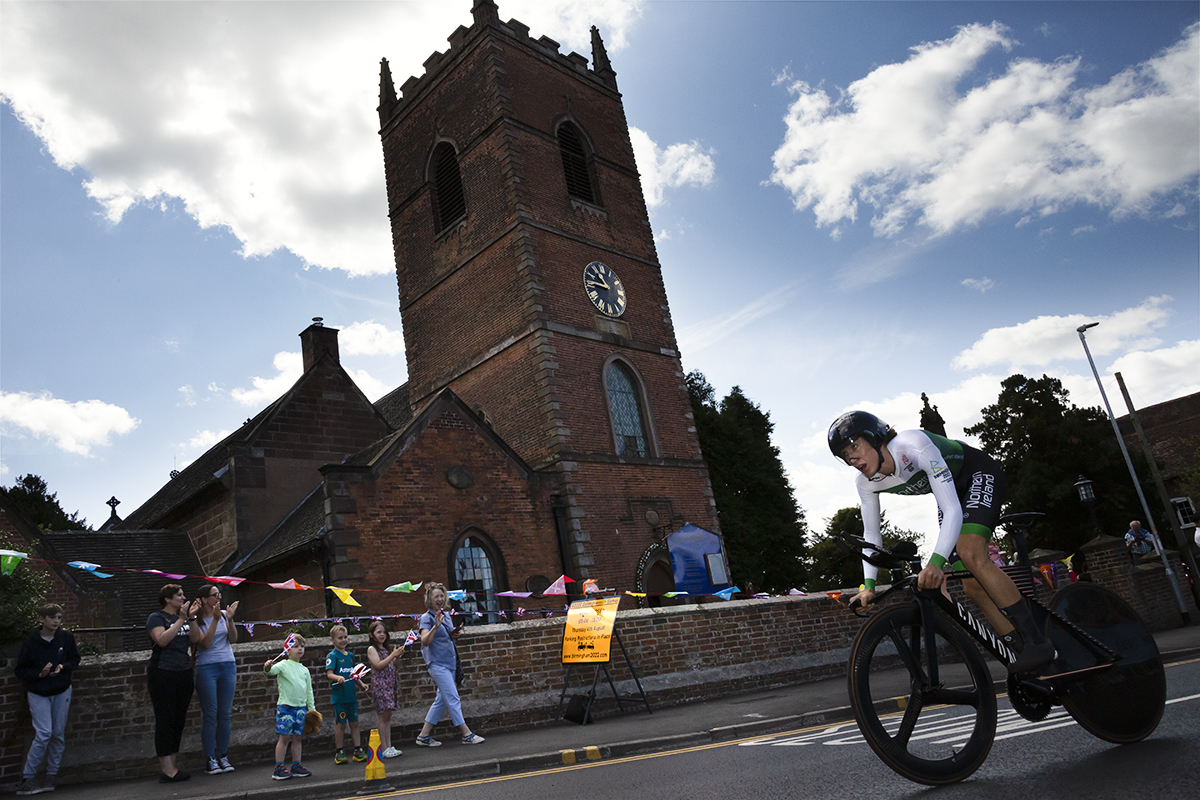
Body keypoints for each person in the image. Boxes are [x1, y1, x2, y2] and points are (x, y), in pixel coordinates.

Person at [829, 411, 1055, 674]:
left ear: (876, 438)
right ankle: (1021, 651)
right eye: (845, 455)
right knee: (973, 588)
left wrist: (936, 564)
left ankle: (1038, 642)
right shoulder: (866, 483)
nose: (852, 458)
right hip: (951, 492)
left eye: (854, 446)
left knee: (971, 554)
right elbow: (871, 535)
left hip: (976, 472)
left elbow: (952, 510)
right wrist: (868, 586)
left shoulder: (912, 445)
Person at [14, 603, 80, 796]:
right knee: (44, 733)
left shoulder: (66, 638)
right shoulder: (31, 642)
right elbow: (20, 670)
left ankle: (51, 775)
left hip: (61, 690)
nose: (56, 622)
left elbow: (74, 659)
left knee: (58, 733)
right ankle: (28, 778)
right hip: (39, 692)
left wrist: (62, 668)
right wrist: (39, 674)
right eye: (52, 618)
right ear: (42, 619)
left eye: (59, 618)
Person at [415, 584, 484, 746]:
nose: (439, 599)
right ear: (429, 600)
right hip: (437, 664)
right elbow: (425, 641)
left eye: (441, 596)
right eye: (436, 596)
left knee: (442, 700)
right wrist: (435, 627)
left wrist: (454, 635)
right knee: (453, 697)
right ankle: (466, 734)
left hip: (449, 663)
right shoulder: (427, 618)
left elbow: (446, 639)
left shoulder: (446, 615)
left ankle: (423, 736)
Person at [146, 584, 199, 783]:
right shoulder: (157, 618)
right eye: (179, 595)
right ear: (167, 599)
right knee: (165, 719)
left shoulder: (184, 617)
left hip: (183, 672)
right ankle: (166, 770)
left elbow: (194, 638)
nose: (183, 597)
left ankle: (173, 766)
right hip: (162, 673)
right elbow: (162, 640)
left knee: (178, 719)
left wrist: (191, 618)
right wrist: (180, 619)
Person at [189, 584, 239, 775]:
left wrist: (230, 620)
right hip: (207, 667)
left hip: (227, 665)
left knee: (225, 714)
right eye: (214, 595)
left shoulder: (224, 615)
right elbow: (206, 643)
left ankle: (223, 755)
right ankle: (210, 758)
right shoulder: (197, 619)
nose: (218, 598)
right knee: (210, 714)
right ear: (203, 599)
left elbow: (233, 639)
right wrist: (215, 620)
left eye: (219, 594)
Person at [263, 634, 315, 780]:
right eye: (295, 646)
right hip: (285, 708)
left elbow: (309, 692)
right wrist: (267, 667)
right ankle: (278, 768)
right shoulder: (283, 665)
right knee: (284, 737)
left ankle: (296, 765)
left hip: (300, 709)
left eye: (302, 646)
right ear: (287, 650)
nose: (300, 649)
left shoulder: (305, 670)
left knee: (298, 738)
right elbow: (270, 671)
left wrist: (312, 709)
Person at [324, 625, 368, 765]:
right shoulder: (332, 656)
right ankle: (339, 752)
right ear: (332, 640)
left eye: (345, 637)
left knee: (354, 723)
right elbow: (329, 674)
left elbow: (354, 674)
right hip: (339, 698)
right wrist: (338, 678)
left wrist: (361, 684)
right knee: (341, 724)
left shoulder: (350, 656)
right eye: (340, 638)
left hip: (351, 697)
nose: (343, 640)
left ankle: (357, 750)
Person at [366, 620, 406, 758]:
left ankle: (389, 745)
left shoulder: (387, 649)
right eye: (378, 632)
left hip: (389, 684)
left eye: (383, 632)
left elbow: (393, 665)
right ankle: (383, 747)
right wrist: (392, 656)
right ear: (372, 635)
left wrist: (397, 656)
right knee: (382, 715)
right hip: (380, 685)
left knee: (388, 716)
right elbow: (378, 665)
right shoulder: (372, 649)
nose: (382, 635)